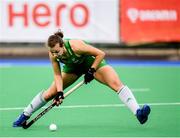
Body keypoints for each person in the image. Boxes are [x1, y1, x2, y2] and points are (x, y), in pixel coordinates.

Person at [13, 29, 151, 127]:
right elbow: (57, 75)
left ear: (62, 46)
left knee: (115, 83)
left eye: (56, 51)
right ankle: (25, 114)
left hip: (91, 62)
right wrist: (60, 92)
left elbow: (100, 54)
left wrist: (91, 71)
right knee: (50, 93)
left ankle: (138, 112)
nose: (55, 55)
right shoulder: (52, 53)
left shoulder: (76, 45)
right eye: (52, 52)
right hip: (72, 69)